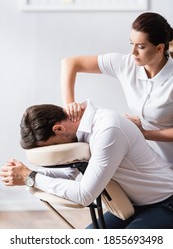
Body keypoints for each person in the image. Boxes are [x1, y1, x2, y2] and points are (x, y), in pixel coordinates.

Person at [1, 99, 173, 229]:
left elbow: (84, 195)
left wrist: (31, 177)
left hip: (165, 202)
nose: (58, 150)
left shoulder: (107, 131)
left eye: (53, 146)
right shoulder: (80, 129)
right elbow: (70, 173)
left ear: (58, 129)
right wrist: (26, 175)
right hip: (131, 205)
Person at [60, 12, 173, 165]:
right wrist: (69, 104)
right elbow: (70, 63)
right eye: (131, 44)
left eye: (141, 47)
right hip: (146, 157)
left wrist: (145, 133)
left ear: (159, 48)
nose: (133, 52)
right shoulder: (125, 64)